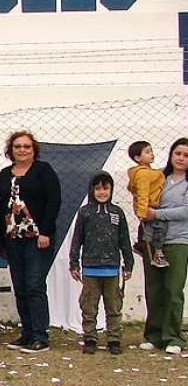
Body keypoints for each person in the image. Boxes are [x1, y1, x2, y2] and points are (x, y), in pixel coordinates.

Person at [0, 130, 61, 354]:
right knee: (21, 287)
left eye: (26, 146)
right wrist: (1, 240)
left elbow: (54, 201)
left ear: (33, 149)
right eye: (17, 146)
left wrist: (45, 232)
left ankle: (40, 336)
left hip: (37, 239)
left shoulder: (44, 171)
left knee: (34, 285)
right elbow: (1, 208)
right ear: (11, 150)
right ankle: (26, 333)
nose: (22, 150)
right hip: (13, 239)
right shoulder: (5, 174)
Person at [69, 171, 133, 355]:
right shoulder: (85, 212)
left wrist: (128, 265)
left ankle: (114, 339)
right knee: (89, 306)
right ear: (92, 190)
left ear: (111, 189)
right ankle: (90, 338)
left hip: (112, 270)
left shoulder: (117, 212)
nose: (102, 192)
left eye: (106, 188)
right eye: (98, 188)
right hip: (90, 270)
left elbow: (124, 240)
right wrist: (74, 264)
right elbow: (77, 240)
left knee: (114, 307)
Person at [139, 137, 188, 355]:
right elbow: (143, 196)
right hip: (152, 239)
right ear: (171, 154)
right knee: (154, 288)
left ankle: (173, 337)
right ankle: (154, 335)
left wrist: (157, 213)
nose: (181, 158)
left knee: (173, 289)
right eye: (178, 153)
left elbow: (185, 211)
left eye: (186, 155)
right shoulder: (158, 176)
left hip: (178, 241)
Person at [127, 141, 168, 267]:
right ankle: (158, 253)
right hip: (150, 206)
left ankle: (140, 244)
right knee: (159, 227)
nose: (151, 154)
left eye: (151, 151)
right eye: (147, 152)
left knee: (147, 227)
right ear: (138, 158)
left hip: (148, 206)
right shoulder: (143, 174)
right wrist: (142, 212)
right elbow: (143, 194)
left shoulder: (147, 172)